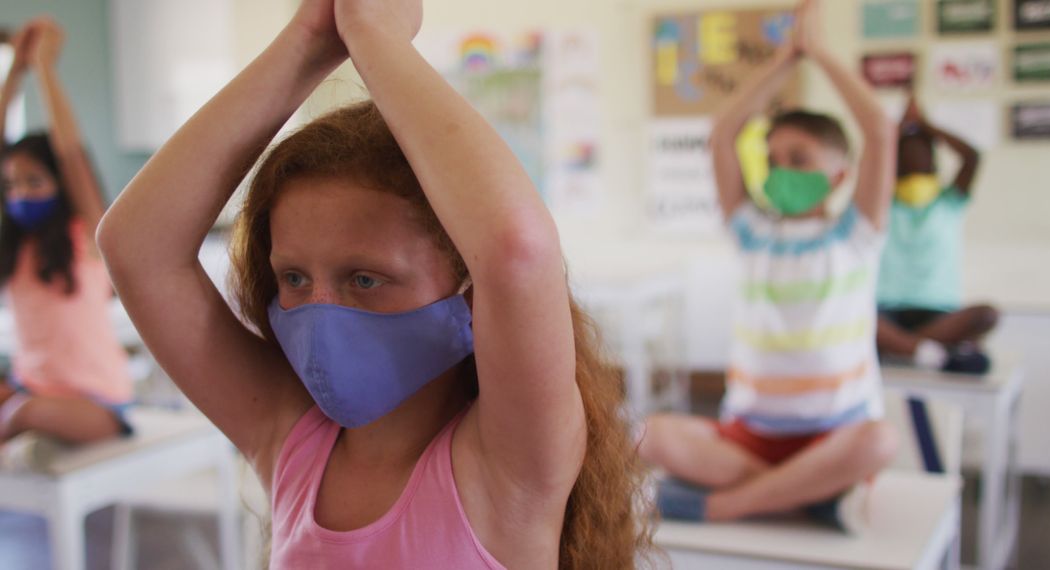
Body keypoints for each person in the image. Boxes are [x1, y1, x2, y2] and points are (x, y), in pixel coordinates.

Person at [97, 0, 649, 567]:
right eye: (293, 277)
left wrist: (374, 35)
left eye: (365, 278)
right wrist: (309, 37)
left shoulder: (508, 464)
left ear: (467, 283)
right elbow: (136, 249)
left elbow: (517, 251)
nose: (320, 310)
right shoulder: (290, 439)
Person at [639, 0, 898, 532]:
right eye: (774, 161)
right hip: (750, 434)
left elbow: (878, 129)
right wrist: (782, 58)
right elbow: (724, 132)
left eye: (799, 160)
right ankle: (812, 500)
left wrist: (818, 54)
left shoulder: (856, 236)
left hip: (835, 435)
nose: (782, 172)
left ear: (839, 174)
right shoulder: (753, 232)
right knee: (650, 433)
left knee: (881, 441)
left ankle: (725, 505)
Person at [0, 18, 133, 456]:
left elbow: (71, 153)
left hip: (95, 403)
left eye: (34, 181)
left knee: (23, 413)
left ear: (59, 185)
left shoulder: (85, 239)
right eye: (12, 185)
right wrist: (12, 74)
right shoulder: (16, 249)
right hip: (31, 385)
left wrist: (43, 69)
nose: (20, 193)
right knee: (21, 406)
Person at [876, 94, 998, 374]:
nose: (913, 162)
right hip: (885, 312)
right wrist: (897, 131)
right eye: (905, 158)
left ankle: (908, 349)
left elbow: (972, 156)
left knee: (987, 315)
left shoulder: (948, 204)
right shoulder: (881, 205)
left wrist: (925, 126)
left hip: (940, 315)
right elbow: (872, 159)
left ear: (933, 162)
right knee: (853, 315)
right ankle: (934, 353)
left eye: (920, 155)